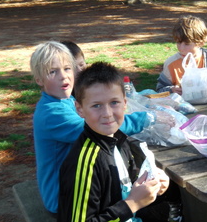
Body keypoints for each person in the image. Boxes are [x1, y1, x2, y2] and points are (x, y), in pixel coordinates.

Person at [29, 41, 149, 215]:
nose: (63, 76)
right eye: (52, 72)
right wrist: (147, 118)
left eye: (67, 68)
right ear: (39, 79)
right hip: (63, 198)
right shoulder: (51, 112)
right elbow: (98, 127)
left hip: (82, 185)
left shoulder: (66, 100)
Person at [58, 62, 172, 221]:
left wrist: (151, 185)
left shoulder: (118, 139)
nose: (107, 113)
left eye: (114, 102)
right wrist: (132, 204)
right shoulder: (84, 163)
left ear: (125, 103)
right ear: (80, 109)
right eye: (96, 105)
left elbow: (126, 185)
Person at [156, 15, 207, 94]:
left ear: (201, 43)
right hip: (182, 104)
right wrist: (171, 89)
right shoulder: (171, 63)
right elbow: (160, 89)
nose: (181, 48)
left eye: (187, 44)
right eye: (178, 42)